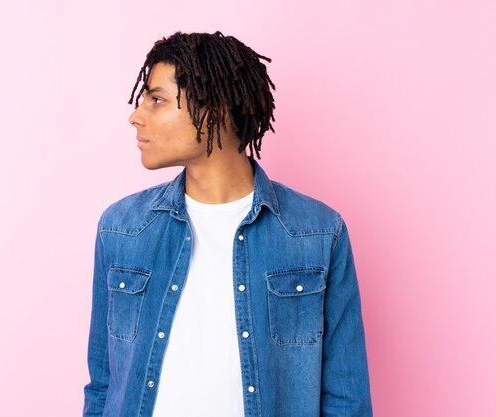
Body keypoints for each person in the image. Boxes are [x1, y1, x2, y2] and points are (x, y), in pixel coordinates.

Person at [83, 31, 373, 417]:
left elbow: (346, 398)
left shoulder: (317, 233)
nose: (137, 116)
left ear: (214, 108)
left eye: (157, 100)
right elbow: (104, 386)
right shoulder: (121, 228)